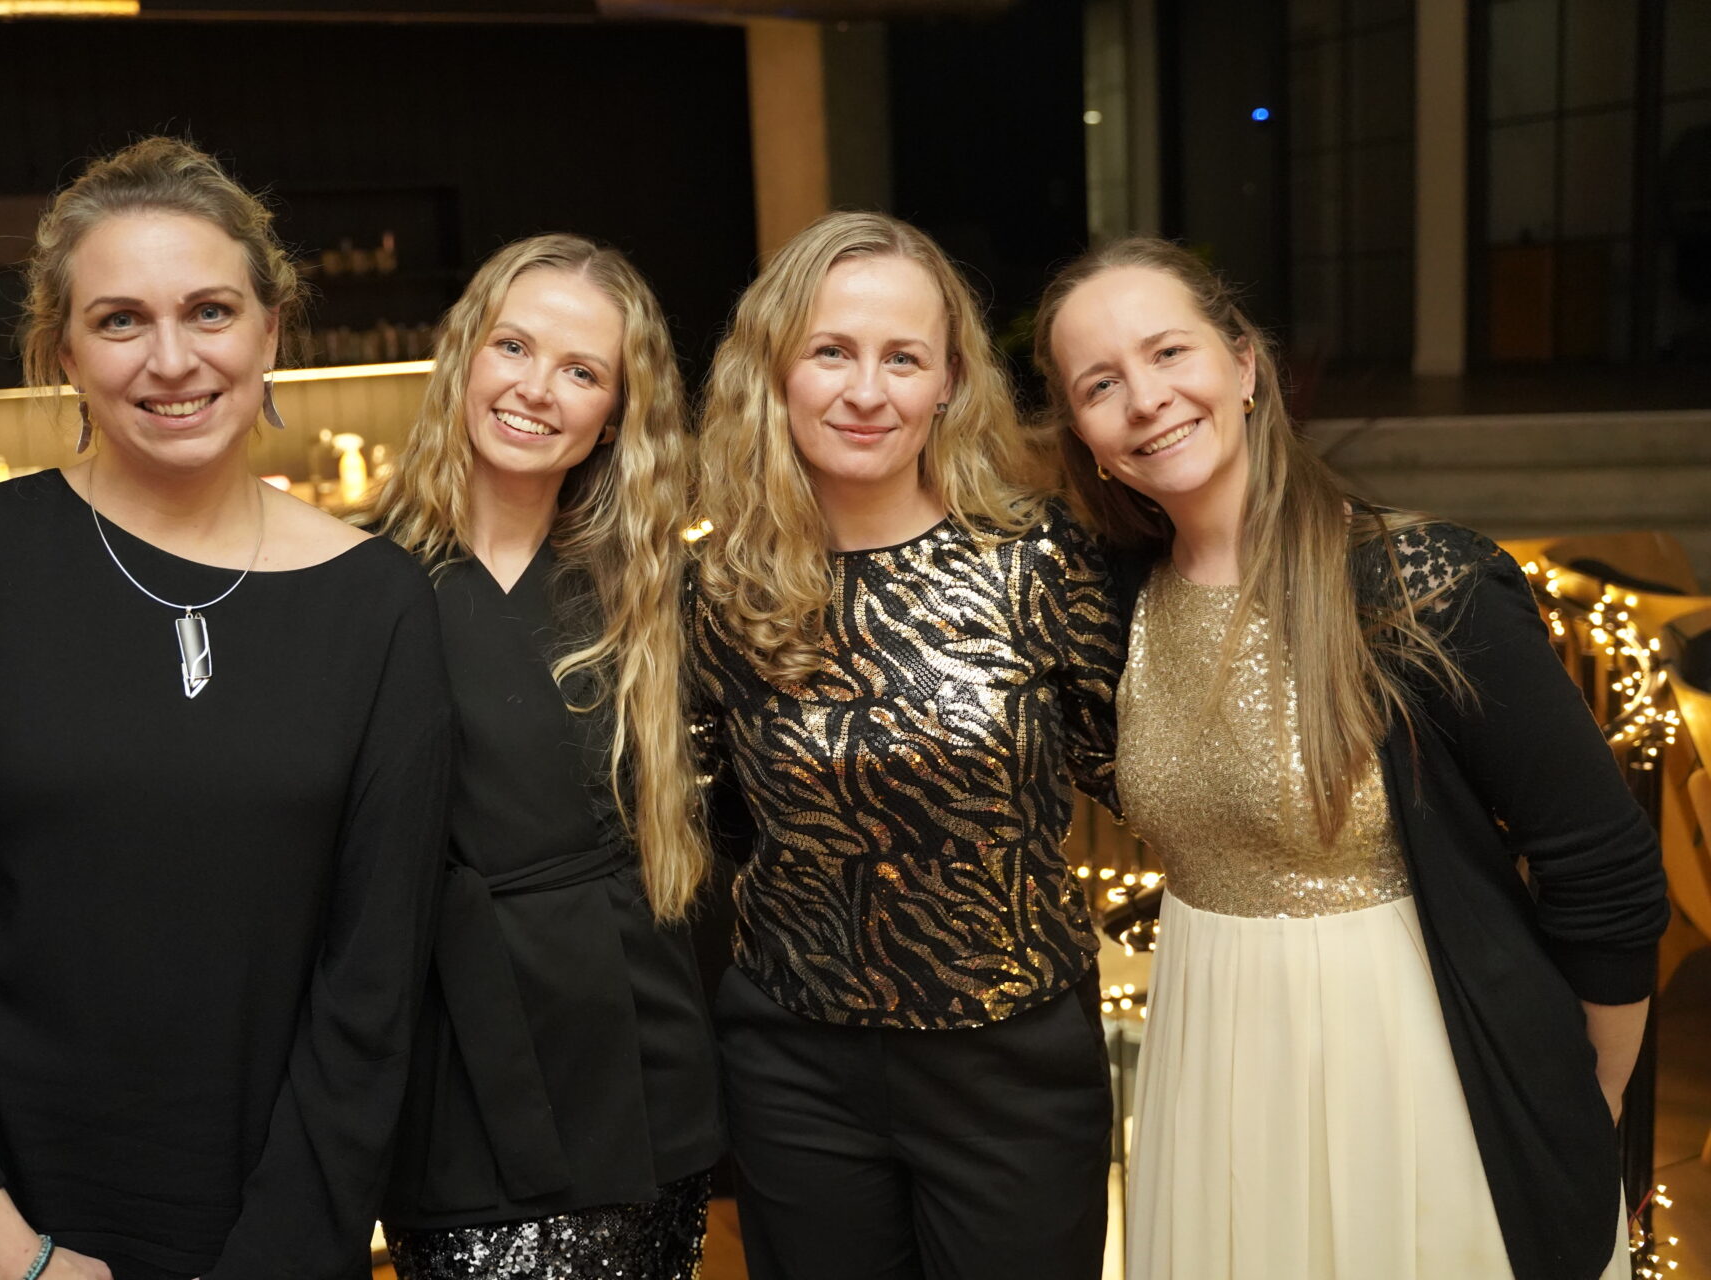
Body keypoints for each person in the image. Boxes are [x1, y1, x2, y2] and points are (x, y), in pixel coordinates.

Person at [0, 136, 451, 1280]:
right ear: (62, 350)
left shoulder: (379, 602)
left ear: (272, 330)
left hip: (257, 1230)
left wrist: (278, 1255)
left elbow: (373, 986)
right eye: (120, 320)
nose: (172, 358)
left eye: (209, 311)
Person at [1033, 236, 1670, 1280]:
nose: (1146, 399)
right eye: (1101, 384)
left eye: (1169, 352)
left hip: (1412, 1080)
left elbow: (1607, 869)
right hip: (1206, 1064)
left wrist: (1577, 1101)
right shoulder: (1118, 603)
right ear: (1086, 437)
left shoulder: (1422, 586)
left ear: (1246, 365)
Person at [688, 211, 1121, 1280]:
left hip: (1013, 1064)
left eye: (903, 358)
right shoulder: (720, 588)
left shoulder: (1038, 560)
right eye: (831, 351)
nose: (866, 391)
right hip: (793, 1064)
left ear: (949, 383)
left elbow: (1135, 772)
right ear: (776, 371)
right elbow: (718, 819)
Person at [369, 234, 722, 1279]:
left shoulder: (656, 589)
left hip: (645, 1065)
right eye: (514, 347)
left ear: (614, 413)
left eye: (581, 371)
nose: (535, 389)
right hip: (462, 1069)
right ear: (464, 357)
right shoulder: (355, 585)